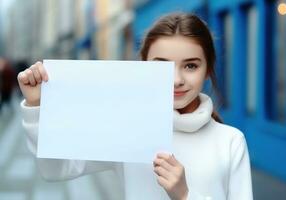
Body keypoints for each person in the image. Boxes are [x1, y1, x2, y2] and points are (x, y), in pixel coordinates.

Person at [18, 13, 253, 200]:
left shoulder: (230, 141)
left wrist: (185, 195)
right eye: (162, 65)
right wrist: (36, 104)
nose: (176, 79)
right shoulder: (127, 131)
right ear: (144, 66)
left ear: (208, 69)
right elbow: (55, 169)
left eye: (190, 66)